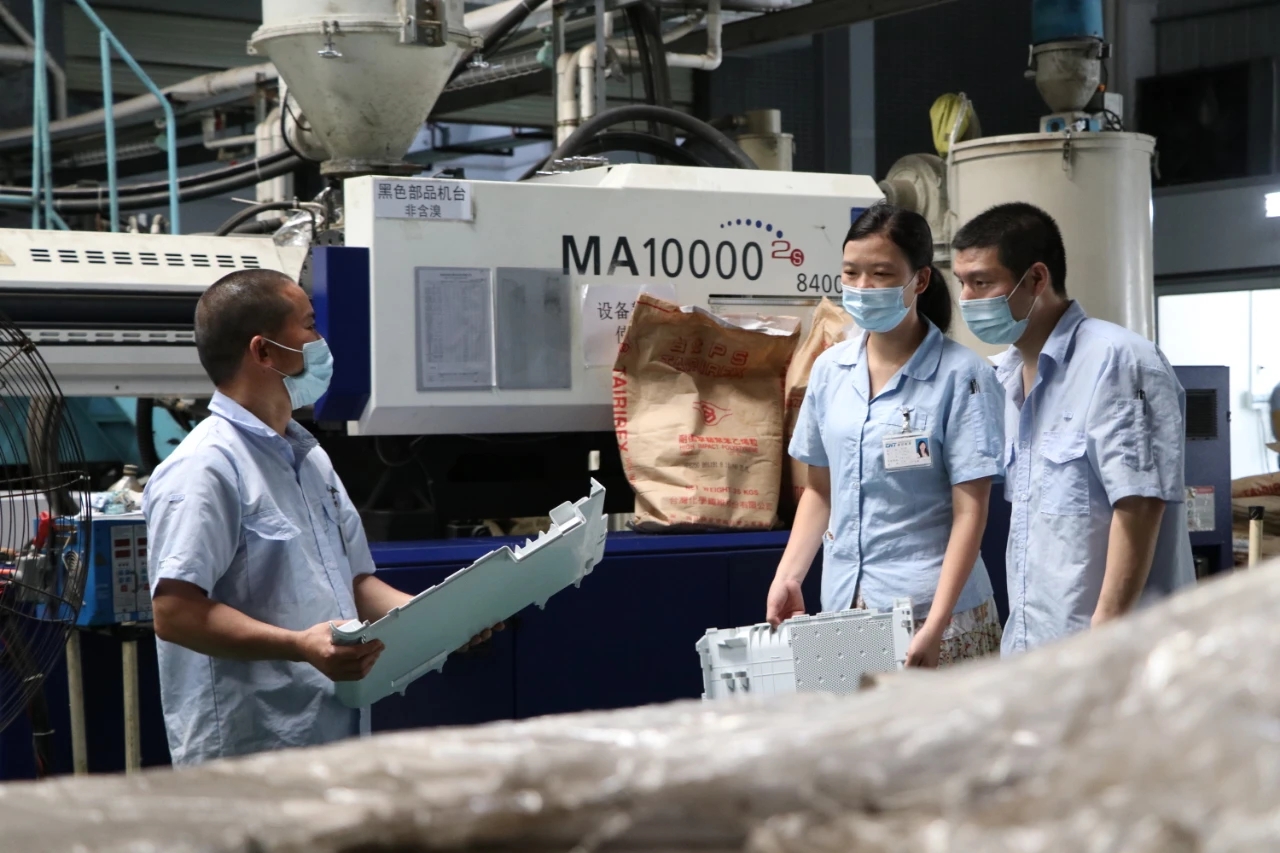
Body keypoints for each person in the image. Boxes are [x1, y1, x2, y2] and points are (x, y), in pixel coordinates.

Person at [144, 269, 498, 765]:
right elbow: (175, 613)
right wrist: (299, 645)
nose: (322, 341)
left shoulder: (309, 458)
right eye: (310, 325)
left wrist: (444, 619)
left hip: (331, 731)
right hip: (252, 748)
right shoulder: (205, 467)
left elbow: (354, 584)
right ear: (263, 352)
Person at [766, 203, 1005, 668]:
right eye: (850, 272)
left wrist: (936, 625)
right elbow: (820, 489)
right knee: (847, 717)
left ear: (920, 280)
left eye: (880, 274)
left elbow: (971, 512)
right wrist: (789, 576)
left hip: (936, 612)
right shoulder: (830, 369)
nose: (862, 287)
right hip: (844, 605)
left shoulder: (964, 376)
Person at [952, 202, 1194, 654]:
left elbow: (1140, 506)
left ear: (1036, 279)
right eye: (961, 282)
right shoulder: (1006, 377)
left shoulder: (1117, 361)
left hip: (1111, 652)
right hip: (1037, 645)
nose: (966, 298)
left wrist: (1104, 637)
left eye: (981, 282)